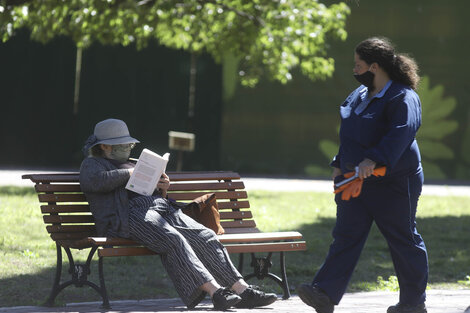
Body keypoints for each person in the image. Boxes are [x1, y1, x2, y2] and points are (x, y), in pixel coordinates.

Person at [79, 118, 277, 310]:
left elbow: (147, 189)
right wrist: (131, 174)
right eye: (123, 145)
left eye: (129, 145)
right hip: (127, 217)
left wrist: (163, 187)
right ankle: (216, 292)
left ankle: (242, 290)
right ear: (104, 146)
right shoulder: (92, 164)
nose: (128, 149)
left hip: (159, 207)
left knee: (205, 236)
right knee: (173, 239)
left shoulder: (133, 161)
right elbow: (95, 182)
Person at [297, 37, 428, 313]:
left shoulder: (403, 97)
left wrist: (375, 158)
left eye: (359, 65)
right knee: (345, 235)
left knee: (403, 239)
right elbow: (350, 134)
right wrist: (338, 162)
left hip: (394, 182)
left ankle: (413, 303)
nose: (355, 71)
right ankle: (324, 293)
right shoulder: (359, 95)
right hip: (355, 180)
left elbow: (402, 132)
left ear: (375, 66)